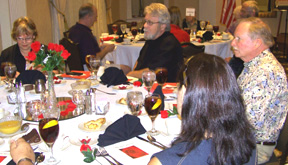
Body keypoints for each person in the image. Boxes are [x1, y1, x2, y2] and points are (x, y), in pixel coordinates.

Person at [148, 53, 256, 165]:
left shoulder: (164, 162)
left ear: (186, 93)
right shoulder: (248, 139)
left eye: (178, 86)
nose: (176, 92)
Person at [231, 17, 288, 164]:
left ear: (257, 43)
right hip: (244, 139)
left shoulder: (265, 72)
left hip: (254, 148)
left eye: (238, 39)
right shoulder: (253, 65)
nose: (232, 43)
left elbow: (248, 122)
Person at [126, 3, 183, 82]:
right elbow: (139, 63)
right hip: (146, 85)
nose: (145, 25)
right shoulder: (151, 40)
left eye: (150, 22)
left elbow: (152, 73)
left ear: (162, 26)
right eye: (145, 21)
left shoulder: (169, 43)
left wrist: (130, 74)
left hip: (165, 89)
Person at [69, 3, 115, 68]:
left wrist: (100, 48)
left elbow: (84, 50)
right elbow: (93, 60)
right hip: (90, 69)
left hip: (78, 67)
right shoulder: (85, 34)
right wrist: (106, 50)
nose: (95, 20)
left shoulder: (73, 30)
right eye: (95, 17)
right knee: (126, 68)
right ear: (88, 16)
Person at [228, 0, 259, 78]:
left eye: (243, 11)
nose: (241, 13)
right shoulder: (243, 25)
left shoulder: (255, 30)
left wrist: (230, 63)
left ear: (253, 13)